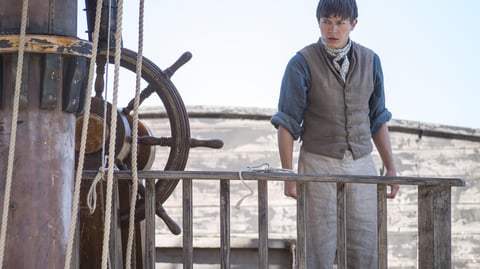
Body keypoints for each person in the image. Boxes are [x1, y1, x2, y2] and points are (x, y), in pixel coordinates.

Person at [270, 0, 400, 268]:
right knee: (317, 248)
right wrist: (288, 175)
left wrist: (391, 167)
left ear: (353, 24)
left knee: (365, 247)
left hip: (362, 162)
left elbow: (378, 118)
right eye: (326, 21)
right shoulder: (301, 63)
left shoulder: (371, 60)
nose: (333, 29)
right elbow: (287, 123)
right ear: (318, 21)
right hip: (317, 161)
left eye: (340, 22)